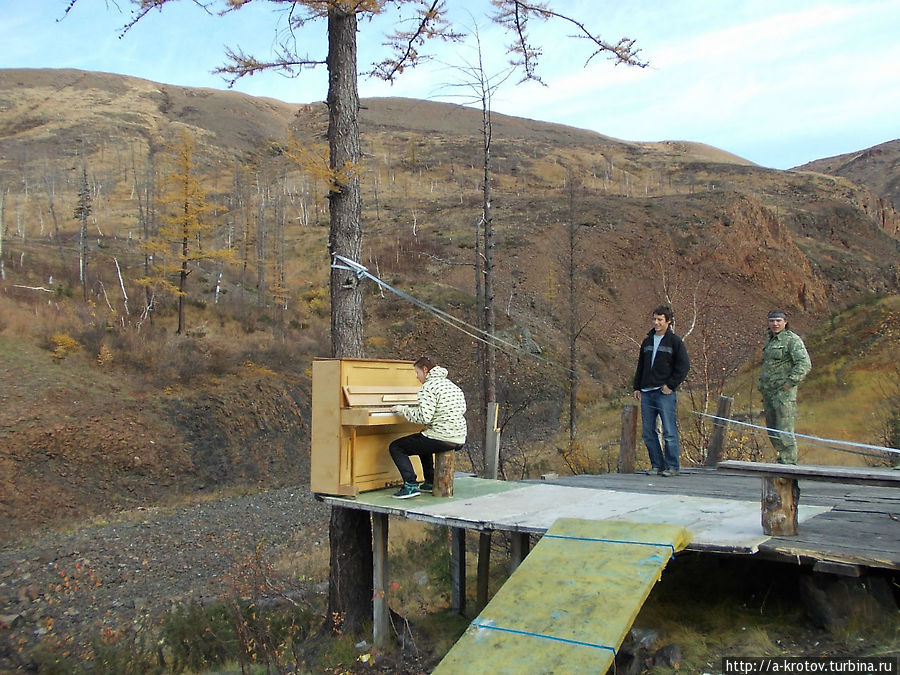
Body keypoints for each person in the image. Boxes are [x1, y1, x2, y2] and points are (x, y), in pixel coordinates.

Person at [389, 356, 467, 499]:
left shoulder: (428, 387)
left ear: (425, 370)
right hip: (459, 437)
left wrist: (402, 409)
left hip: (442, 437)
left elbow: (424, 417)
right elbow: (461, 409)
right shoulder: (451, 385)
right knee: (422, 436)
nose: (417, 378)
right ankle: (430, 481)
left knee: (396, 447)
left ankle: (410, 485)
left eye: (417, 373)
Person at [632, 305, 690, 477]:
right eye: (654, 319)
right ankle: (657, 464)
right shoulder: (647, 341)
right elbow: (641, 366)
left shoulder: (675, 342)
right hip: (647, 392)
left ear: (668, 321)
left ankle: (672, 466)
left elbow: (683, 366)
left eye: (660, 320)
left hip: (664, 393)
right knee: (648, 432)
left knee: (669, 431)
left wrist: (671, 385)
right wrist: (637, 386)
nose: (656, 323)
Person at [758, 309, 811, 465]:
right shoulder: (769, 340)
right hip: (768, 393)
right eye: (772, 321)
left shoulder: (792, 340)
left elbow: (804, 364)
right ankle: (781, 459)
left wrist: (790, 383)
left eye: (778, 321)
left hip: (783, 395)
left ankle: (788, 463)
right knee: (773, 430)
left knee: (784, 430)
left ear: (785, 322)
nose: (775, 324)